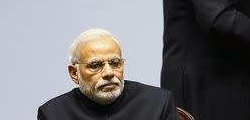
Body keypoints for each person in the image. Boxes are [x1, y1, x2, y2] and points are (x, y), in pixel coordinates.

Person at [38, 28, 179, 120]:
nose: (109, 73)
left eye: (114, 63)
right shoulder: (52, 114)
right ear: (74, 73)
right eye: (95, 65)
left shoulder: (159, 103)